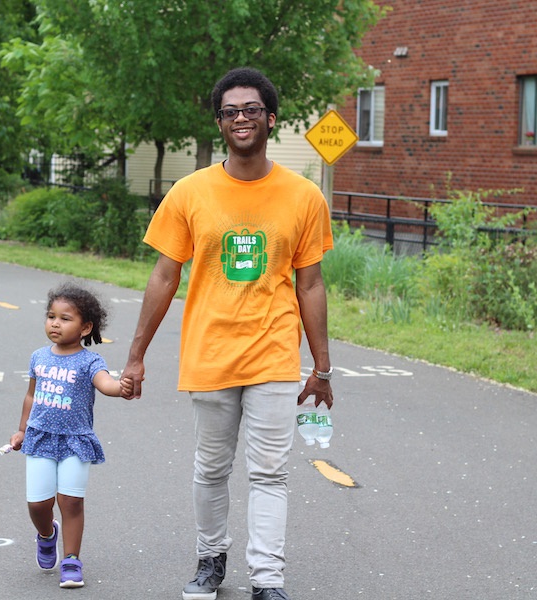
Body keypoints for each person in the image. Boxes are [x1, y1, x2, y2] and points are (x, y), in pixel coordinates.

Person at [120, 67, 335, 600]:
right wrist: (136, 355)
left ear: (270, 119)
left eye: (252, 110)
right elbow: (164, 276)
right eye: (230, 111)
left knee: (269, 473)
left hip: (274, 355)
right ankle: (210, 560)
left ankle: (268, 581)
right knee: (211, 469)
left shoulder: (304, 196)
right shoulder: (191, 192)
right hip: (210, 353)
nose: (242, 118)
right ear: (220, 122)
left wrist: (323, 367)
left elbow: (310, 285)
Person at [8, 282, 133, 589]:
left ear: (85, 326)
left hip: (76, 440)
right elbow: (30, 396)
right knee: (38, 504)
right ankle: (47, 535)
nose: (55, 323)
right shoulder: (38, 357)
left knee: (71, 501)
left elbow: (106, 384)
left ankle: (71, 560)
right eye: (51, 316)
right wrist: (22, 429)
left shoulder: (90, 361)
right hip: (40, 438)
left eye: (65, 318)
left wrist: (122, 388)